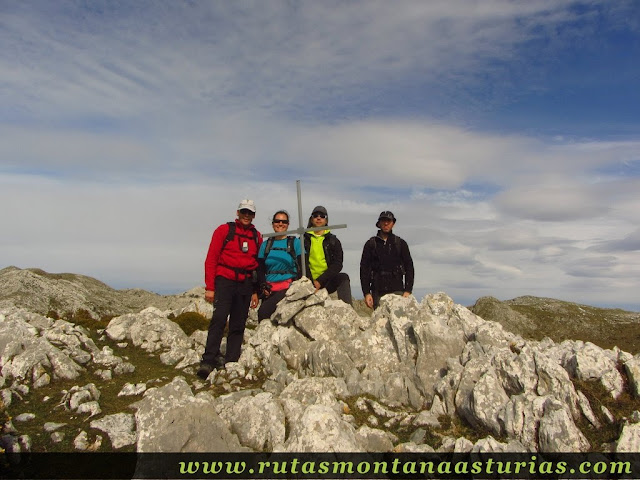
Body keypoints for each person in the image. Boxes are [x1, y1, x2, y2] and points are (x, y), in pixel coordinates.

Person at [198, 199, 262, 379]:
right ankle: (208, 360)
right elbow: (211, 258)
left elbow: (256, 266)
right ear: (238, 213)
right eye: (244, 212)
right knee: (218, 319)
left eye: (250, 213)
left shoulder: (257, 236)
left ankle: (231, 360)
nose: (246, 216)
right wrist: (210, 287)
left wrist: (255, 291)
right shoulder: (224, 230)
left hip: (245, 283)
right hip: (225, 281)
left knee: (238, 323)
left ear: (254, 215)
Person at [360, 211, 414, 309]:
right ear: (379, 223)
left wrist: (408, 290)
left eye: (389, 221)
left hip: (398, 291)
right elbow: (364, 270)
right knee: (380, 322)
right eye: (383, 220)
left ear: (393, 223)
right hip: (377, 292)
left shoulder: (401, 244)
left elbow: (409, 267)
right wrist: (367, 293)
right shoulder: (371, 244)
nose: (386, 223)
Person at [257, 210, 303, 320]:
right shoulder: (266, 245)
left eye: (284, 221)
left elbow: (303, 265)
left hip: (288, 289)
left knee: (264, 312)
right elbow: (259, 269)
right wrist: (263, 285)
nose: (280, 224)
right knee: (265, 317)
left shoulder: (295, 243)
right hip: (269, 290)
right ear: (273, 224)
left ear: (288, 225)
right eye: (277, 221)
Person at [303, 206, 352, 305]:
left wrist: (320, 281)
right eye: (315, 215)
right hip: (307, 281)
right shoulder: (303, 240)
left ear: (326, 220)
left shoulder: (333, 241)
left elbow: (338, 264)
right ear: (311, 219)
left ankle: (347, 309)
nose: (319, 218)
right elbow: (301, 262)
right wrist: (312, 283)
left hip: (326, 280)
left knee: (343, 278)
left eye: (322, 216)